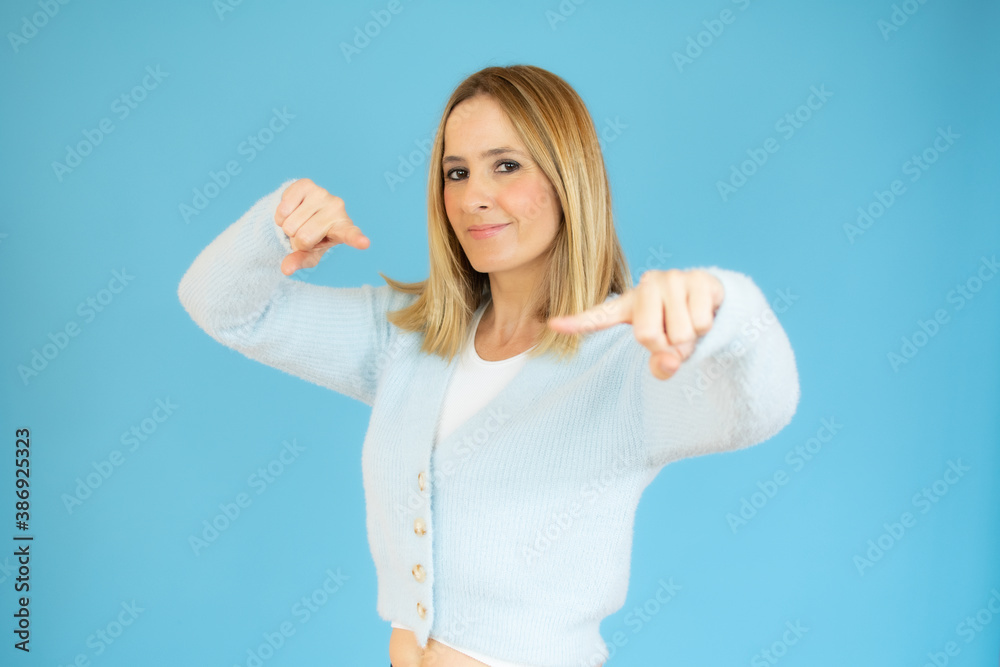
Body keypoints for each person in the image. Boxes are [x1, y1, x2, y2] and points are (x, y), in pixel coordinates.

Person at [177, 64, 801, 667]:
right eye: (455, 172)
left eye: (507, 165)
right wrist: (276, 223)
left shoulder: (625, 365)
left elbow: (760, 410)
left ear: (568, 178)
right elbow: (224, 308)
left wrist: (724, 304)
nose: (474, 196)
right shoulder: (410, 337)